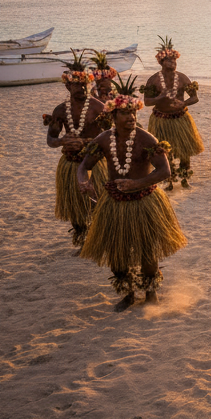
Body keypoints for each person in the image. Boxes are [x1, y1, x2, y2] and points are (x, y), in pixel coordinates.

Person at [78, 78, 186, 308]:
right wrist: (83, 182)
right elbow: (84, 166)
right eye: (125, 113)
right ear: (113, 116)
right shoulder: (103, 139)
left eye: (133, 113)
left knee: (147, 250)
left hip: (144, 200)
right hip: (114, 203)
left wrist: (138, 184)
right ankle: (127, 294)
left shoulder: (147, 139)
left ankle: (150, 292)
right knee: (117, 253)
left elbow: (165, 170)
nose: (131, 117)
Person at [45, 53, 107, 247]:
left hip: (95, 162)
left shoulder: (99, 108)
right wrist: (63, 140)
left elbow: (111, 137)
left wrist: (86, 142)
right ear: (67, 86)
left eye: (84, 84)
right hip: (70, 163)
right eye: (76, 85)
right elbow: (51, 140)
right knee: (75, 205)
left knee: (98, 203)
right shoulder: (60, 111)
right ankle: (81, 239)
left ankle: (100, 238)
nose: (81, 88)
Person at [143, 35, 203, 188]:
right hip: (161, 120)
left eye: (174, 60)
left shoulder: (182, 78)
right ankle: (169, 180)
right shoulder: (153, 80)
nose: (173, 63)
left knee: (184, 151)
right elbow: (147, 102)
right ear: (161, 62)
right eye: (169, 60)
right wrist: (159, 98)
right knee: (163, 151)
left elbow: (195, 98)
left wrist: (183, 103)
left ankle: (184, 178)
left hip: (180, 119)